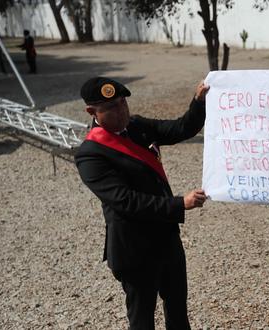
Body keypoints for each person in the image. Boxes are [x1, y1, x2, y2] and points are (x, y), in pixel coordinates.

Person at [75, 76, 209, 330]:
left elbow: (181, 128)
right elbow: (127, 202)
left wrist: (198, 102)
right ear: (92, 112)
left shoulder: (136, 126)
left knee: (178, 310)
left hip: (167, 238)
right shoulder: (90, 155)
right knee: (142, 319)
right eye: (112, 107)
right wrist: (180, 203)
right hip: (133, 249)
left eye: (123, 102)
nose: (121, 110)